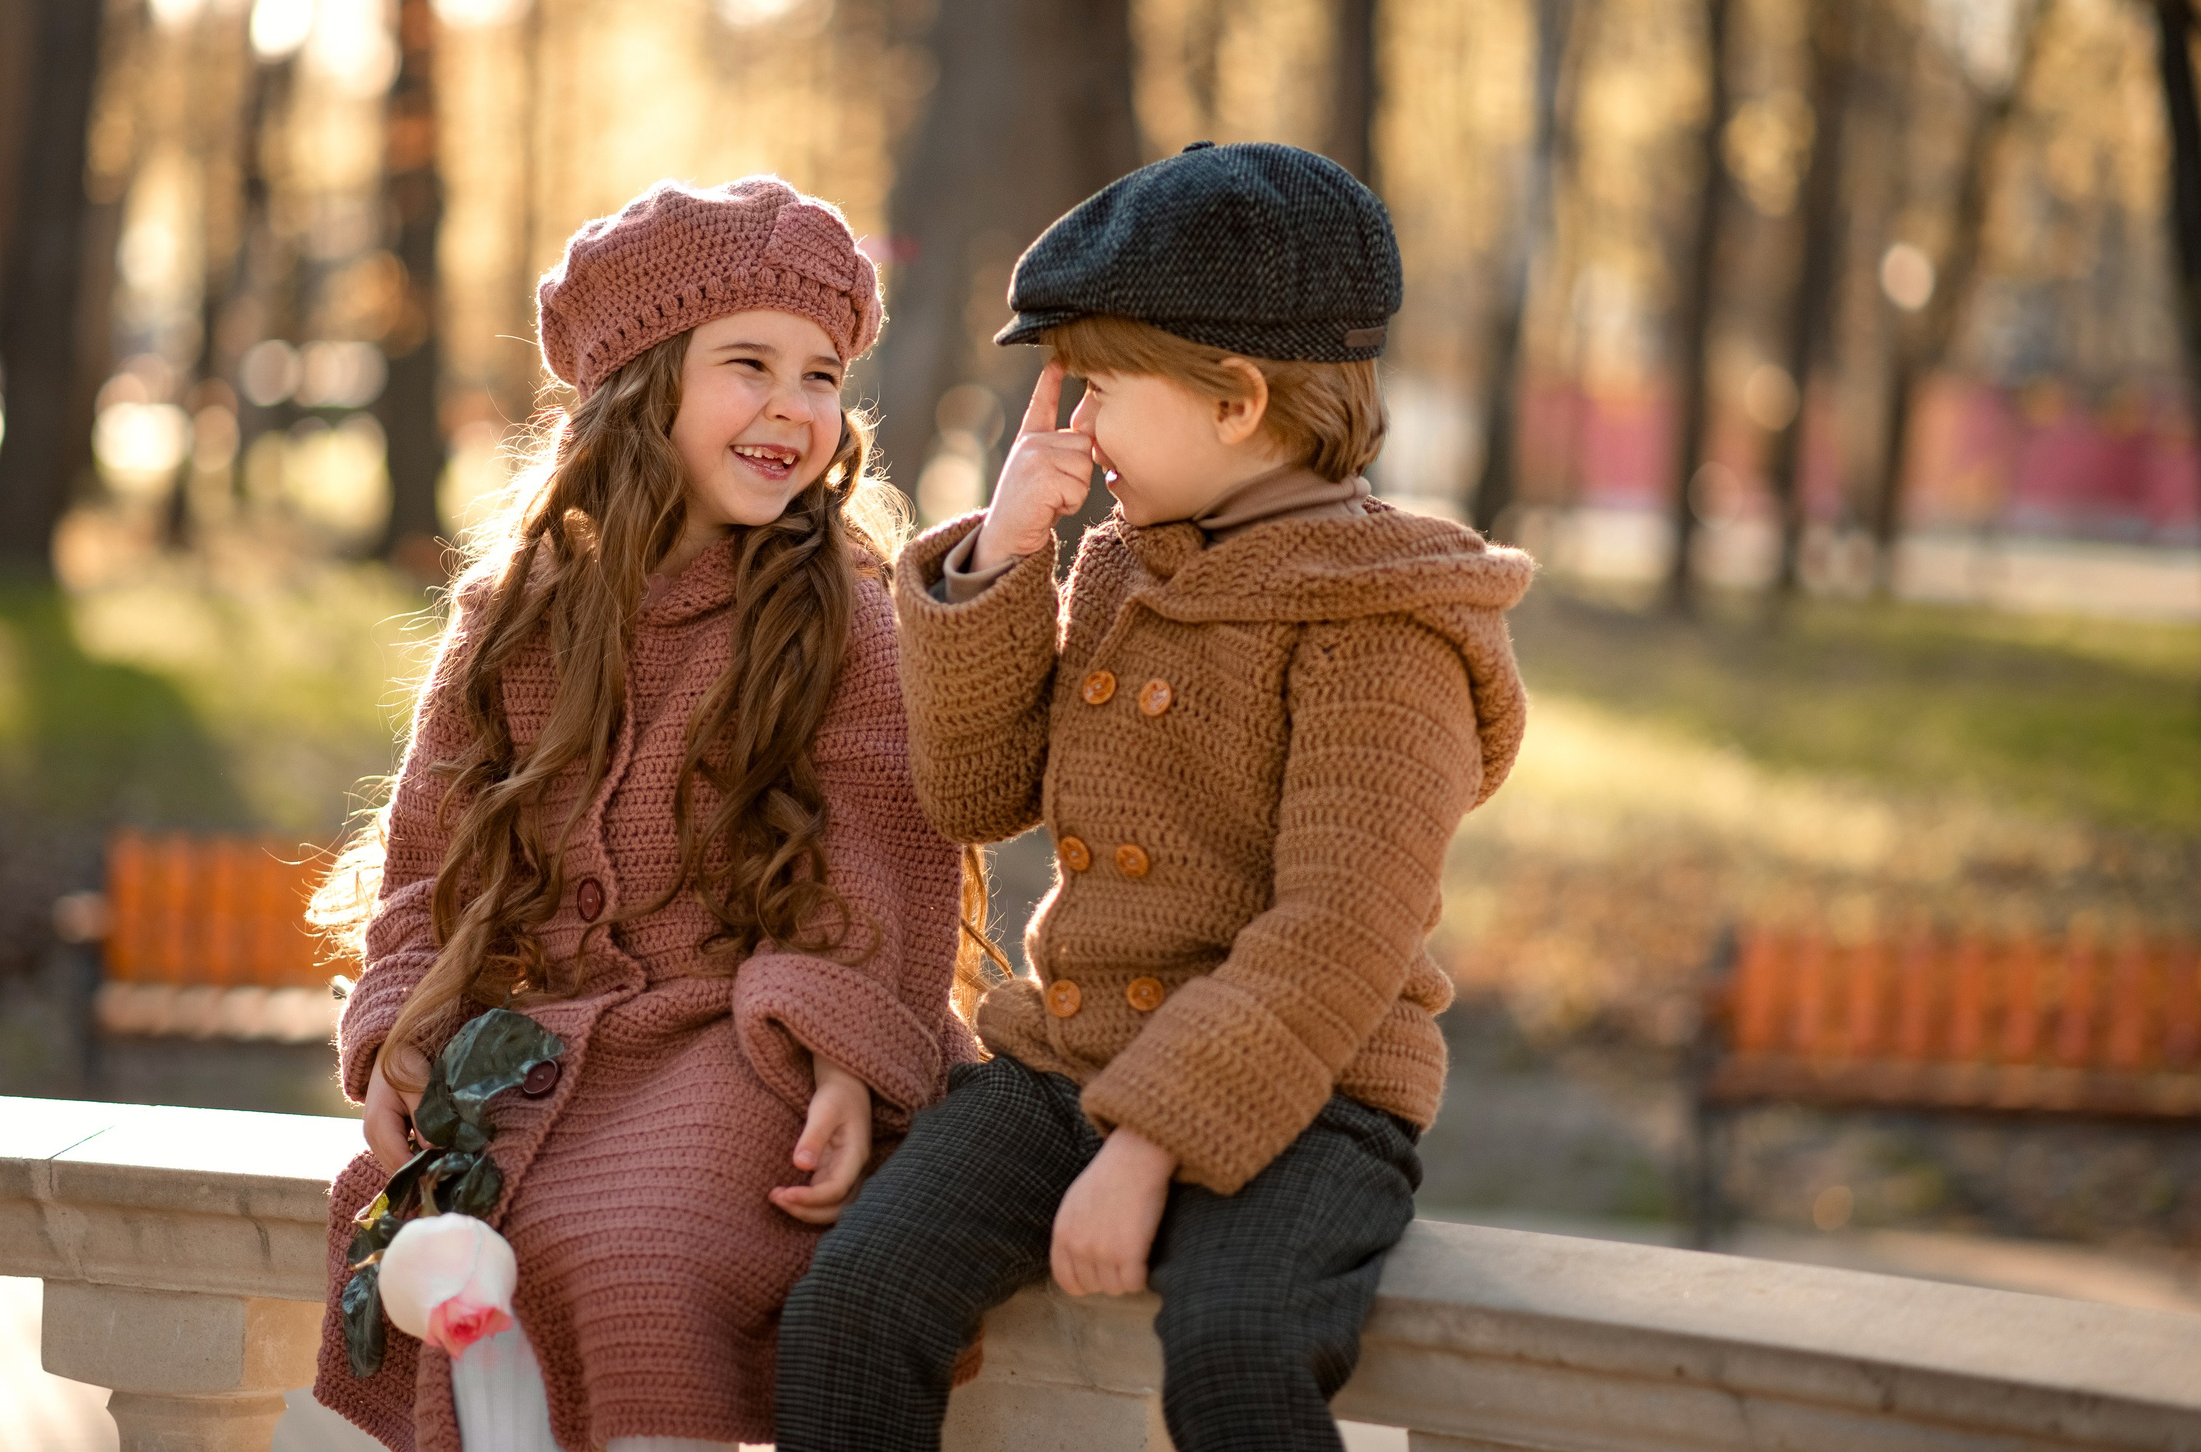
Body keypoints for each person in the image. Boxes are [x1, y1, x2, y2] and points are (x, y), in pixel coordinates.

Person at [776, 143, 1534, 1452]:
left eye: (1098, 390)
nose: (1072, 432)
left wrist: (1141, 1149)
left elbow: (1337, 936)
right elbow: (976, 790)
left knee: (1236, 1350)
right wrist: (1005, 559)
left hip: (1305, 1093)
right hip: (1067, 1063)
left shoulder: (1388, 628)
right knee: (852, 1300)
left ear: (1235, 397)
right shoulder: (1127, 569)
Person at [310, 176, 988, 1452]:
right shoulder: (515, 614)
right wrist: (402, 1021)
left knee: (634, 1254)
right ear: (640, 381)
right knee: (422, 1231)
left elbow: (877, 850)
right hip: (540, 1040)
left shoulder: (845, 619)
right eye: (750, 364)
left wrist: (843, 1057)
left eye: (822, 375)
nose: (793, 407)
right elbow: (426, 853)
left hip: (747, 1035)